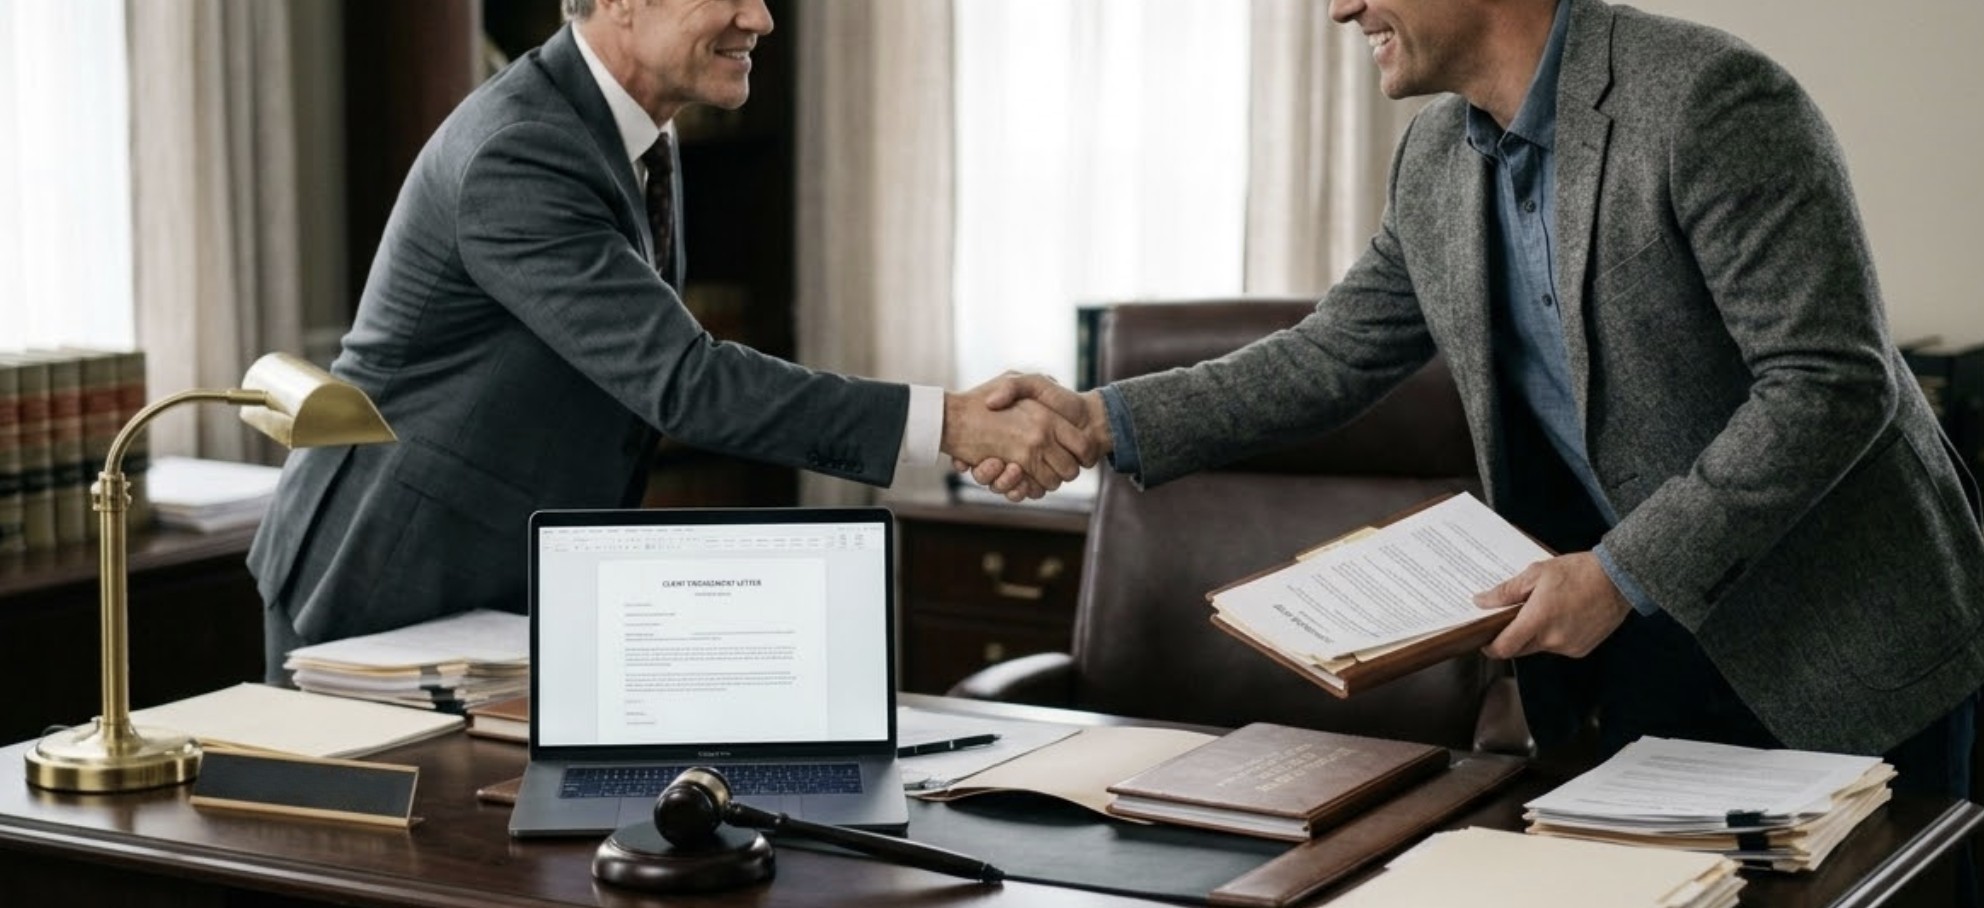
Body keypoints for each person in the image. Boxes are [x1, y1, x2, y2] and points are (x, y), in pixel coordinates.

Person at [971, 0, 1984, 805]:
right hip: (1635, 647)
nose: (1337, 9)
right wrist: (1098, 420)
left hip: (1836, 637)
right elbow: (1333, 355)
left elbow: (1826, 383)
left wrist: (1622, 570)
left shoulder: (1709, 100)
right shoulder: (1433, 159)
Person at [248, 0, 1095, 680]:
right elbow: (687, 380)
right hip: (386, 582)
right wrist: (952, 422)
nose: (760, 18)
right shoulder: (522, 151)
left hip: (499, 584)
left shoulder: (635, 129)